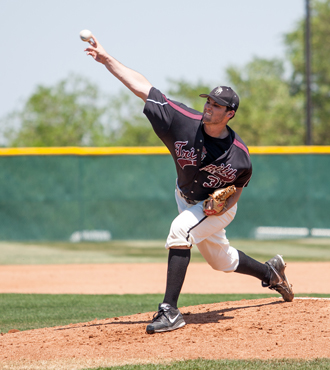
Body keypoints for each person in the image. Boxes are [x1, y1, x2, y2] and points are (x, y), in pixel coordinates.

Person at [83, 34, 294, 334]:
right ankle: (270, 272)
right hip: (185, 197)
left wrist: (222, 205)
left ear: (230, 114)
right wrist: (106, 60)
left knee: (180, 230)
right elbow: (143, 87)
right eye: (208, 100)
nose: (209, 106)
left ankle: (169, 311)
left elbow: (238, 189)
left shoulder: (240, 157)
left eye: (217, 105)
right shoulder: (180, 120)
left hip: (218, 208)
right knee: (222, 261)